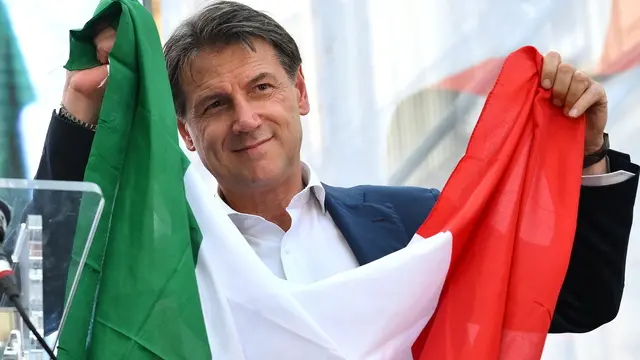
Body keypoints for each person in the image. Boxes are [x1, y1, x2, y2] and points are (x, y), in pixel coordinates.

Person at [33, 0, 638, 337]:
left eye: (261, 88)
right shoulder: (165, 266)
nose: (246, 119)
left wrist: (586, 154)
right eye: (216, 104)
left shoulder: (413, 226)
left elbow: (576, 301)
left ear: (300, 92)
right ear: (185, 132)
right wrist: (81, 106)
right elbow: (49, 305)